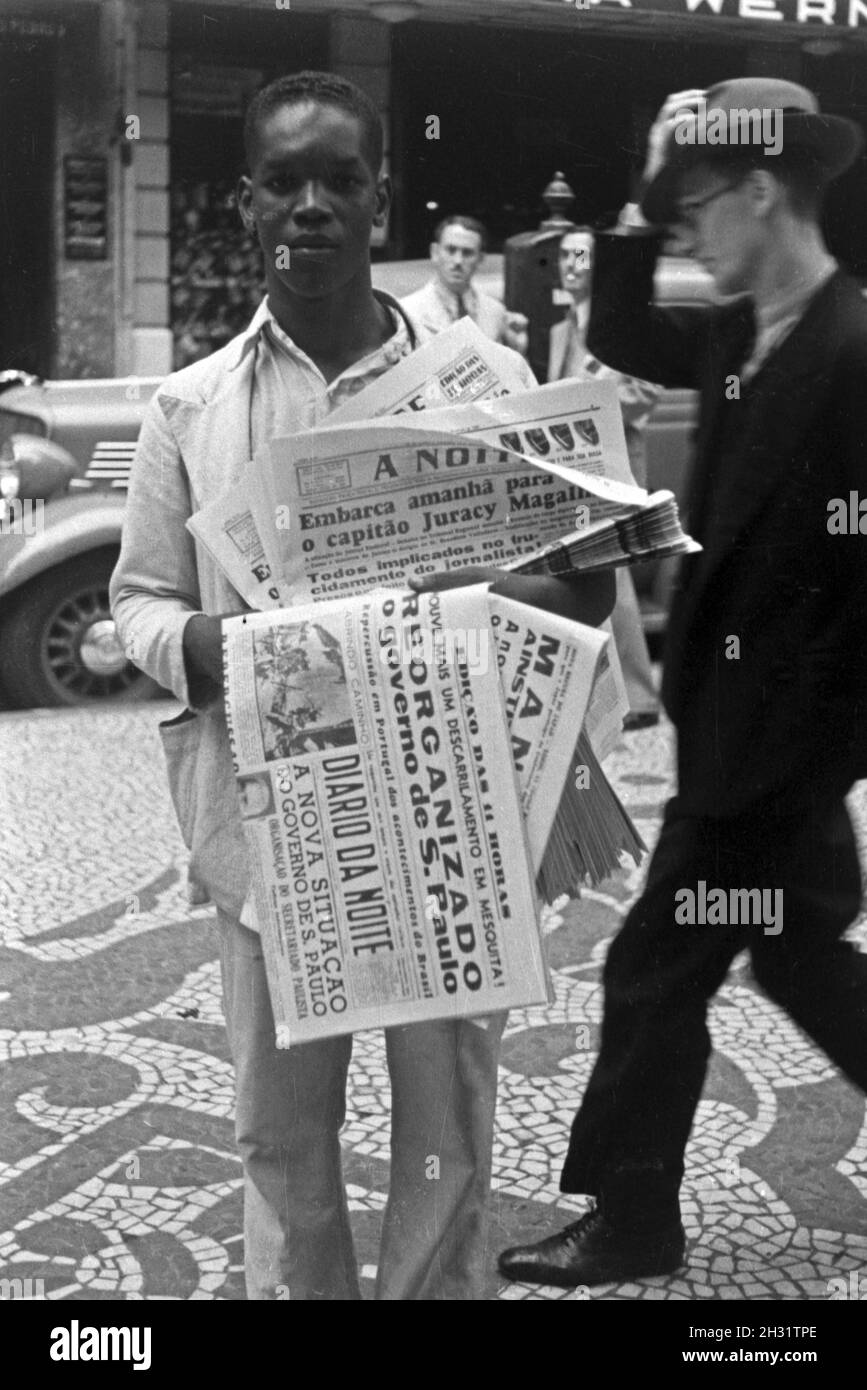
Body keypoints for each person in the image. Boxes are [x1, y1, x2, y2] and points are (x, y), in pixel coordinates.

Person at [111, 70, 613, 1301]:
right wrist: (224, 651)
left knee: (446, 1139)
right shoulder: (192, 406)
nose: (314, 206)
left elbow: (583, 600)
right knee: (282, 1142)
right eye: (285, 181)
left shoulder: (487, 392)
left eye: (341, 179)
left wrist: (561, 583)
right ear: (245, 204)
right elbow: (136, 603)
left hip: (444, 827)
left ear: (381, 197)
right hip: (273, 843)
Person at [498, 76, 867, 1289]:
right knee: (800, 946)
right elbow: (618, 331)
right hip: (739, 735)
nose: (686, 232)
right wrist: (649, 179)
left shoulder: (854, 348)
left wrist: (806, 751)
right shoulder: (737, 333)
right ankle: (635, 1213)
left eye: (699, 203)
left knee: (654, 968)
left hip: (777, 749)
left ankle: (633, 1217)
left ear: (765, 188)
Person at [549, 226, 661, 730]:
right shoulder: (559, 330)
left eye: (581, 257)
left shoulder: (619, 328)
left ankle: (639, 697)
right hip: (570, 476)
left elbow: (644, 393)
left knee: (617, 578)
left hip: (613, 468)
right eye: (564, 258)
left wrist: (590, 401)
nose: (571, 266)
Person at [401, 215, 528, 355]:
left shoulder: (495, 311)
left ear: (480, 258)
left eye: (467, 253)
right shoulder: (407, 311)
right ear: (435, 252)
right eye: (450, 250)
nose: (458, 261)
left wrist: (517, 348)